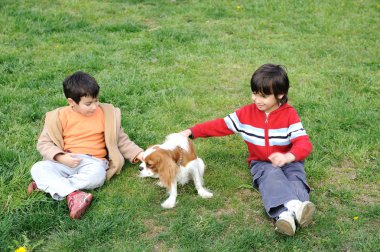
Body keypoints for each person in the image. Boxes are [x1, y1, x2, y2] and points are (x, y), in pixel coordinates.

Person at [179, 64, 316, 236]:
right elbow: (220, 125)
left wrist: (288, 156)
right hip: (261, 163)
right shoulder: (246, 114)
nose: (257, 100)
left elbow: (304, 143)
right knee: (271, 177)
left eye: (264, 96)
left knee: (296, 180)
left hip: (290, 161)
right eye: (254, 94)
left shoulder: (289, 115)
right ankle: (291, 211)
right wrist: (192, 132)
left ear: (280, 95)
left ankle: (287, 214)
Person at [28, 71, 144, 219]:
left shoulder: (106, 114)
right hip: (65, 160)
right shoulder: (57, 117)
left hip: (93, 162)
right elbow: (44, 143)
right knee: (38, 167)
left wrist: (139, 154)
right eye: (88, 103)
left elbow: (121, 140)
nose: (95, 106)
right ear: (71, 102)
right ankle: (73, 194)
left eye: (96, 100)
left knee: (98, 176)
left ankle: (48, 186)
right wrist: (60, 157)